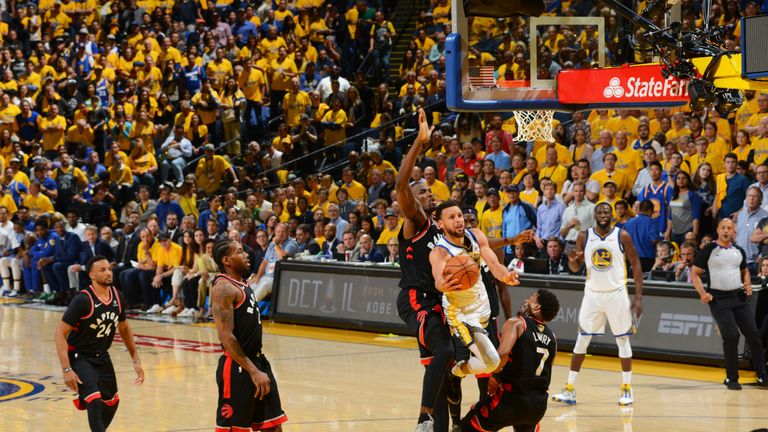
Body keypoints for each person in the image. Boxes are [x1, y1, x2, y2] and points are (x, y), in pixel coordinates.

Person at [552, 202, 644, 406]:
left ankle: (627, 389)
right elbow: (575, 267)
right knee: (581, 340)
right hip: (592, 295)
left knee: (622, 340)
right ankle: (569, 389)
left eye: (606, 212)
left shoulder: (622, 236)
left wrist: (638, 297)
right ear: (595, 215)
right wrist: (573, 259)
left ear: (612, 215)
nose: (603, 215)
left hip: (617, 294)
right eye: (599, 212)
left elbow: (636, 265)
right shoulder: (584, 236)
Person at [395, 108, 451, 432]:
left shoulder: (439, 229)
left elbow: (478, 242)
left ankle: (437, 424)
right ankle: (424, 417)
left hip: (438, 302)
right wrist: (419, 142)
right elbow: (402, 183)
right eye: (422, 192)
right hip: (416, 299)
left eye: (429, 191)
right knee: (443, 350)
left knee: (441, 371)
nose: (428, 193)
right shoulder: (413, 222)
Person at [429, 200, 519, 379]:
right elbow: (438, 281)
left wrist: (506, 276)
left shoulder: (476, 235)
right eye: (452, 217)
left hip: (482, 301)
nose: (458, 220)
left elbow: (494, 265)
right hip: (462, 313)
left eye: (459, 216)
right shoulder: (440, 252)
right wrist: (442, 285)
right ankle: (457, 372)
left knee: (493, 363)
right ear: (441, 224)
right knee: (492, 361)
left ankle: (459, 369)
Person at [54, 256, 144, 432]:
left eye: (109, 268)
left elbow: (124, 327)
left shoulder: (118, 296)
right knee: (94, 400)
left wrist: (136, 359)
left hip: (102, 356)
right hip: (79, 356)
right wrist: (66, 369)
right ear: (92, 275)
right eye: (102, 270)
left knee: (111, 402)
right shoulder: (82, 300)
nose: (109, 272)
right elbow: (60, 333)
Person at [211, 239, 287, 431]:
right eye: (239, 252)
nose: (246, 255)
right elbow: (226, 337)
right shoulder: (223, 288)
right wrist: (253, 371)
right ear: (227, 260)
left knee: (273, 426)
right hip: (238, 368)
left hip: (258, 362)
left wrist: (258, 368)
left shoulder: (243, 283)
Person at [460, 289, 560, 432]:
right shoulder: (553, 338)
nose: (526, 300)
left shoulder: (517, 323)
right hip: (537, 406)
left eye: (531, 298)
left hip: (512, 400)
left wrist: (495, 375)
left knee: (465, 427)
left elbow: (502, 355)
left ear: (537, 307)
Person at [690, 219, 768, 390]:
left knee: (754, 335)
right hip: (718, 299)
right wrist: (702, 293)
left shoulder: (738, 251)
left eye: (729, 228)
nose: (726, 231)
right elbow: (694, 273)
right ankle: (731, 377)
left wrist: (747, 283)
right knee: (732, 335)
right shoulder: (709, 249)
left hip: (738, 297)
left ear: (734, 231)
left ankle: (762, 375)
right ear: (718, 230)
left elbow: (745, 270)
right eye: (723, 228)